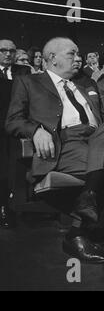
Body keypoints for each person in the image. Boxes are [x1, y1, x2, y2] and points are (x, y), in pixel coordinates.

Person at [6, 37, 104, 263]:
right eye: (71, 54)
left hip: (97, 138)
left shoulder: (86, 84)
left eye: (78, 54)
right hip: (64, 142)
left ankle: (84, 216)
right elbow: (13, 121)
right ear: (52, 58)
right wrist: (35, 130)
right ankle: (80, 231)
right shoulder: (29, 82)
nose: (78, 58)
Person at [0, 39, 31, 228]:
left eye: (11, 50)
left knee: (12, 170)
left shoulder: (23, 72)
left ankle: (10, 208)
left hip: (14, 128)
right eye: (3, 50)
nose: (8, 54)